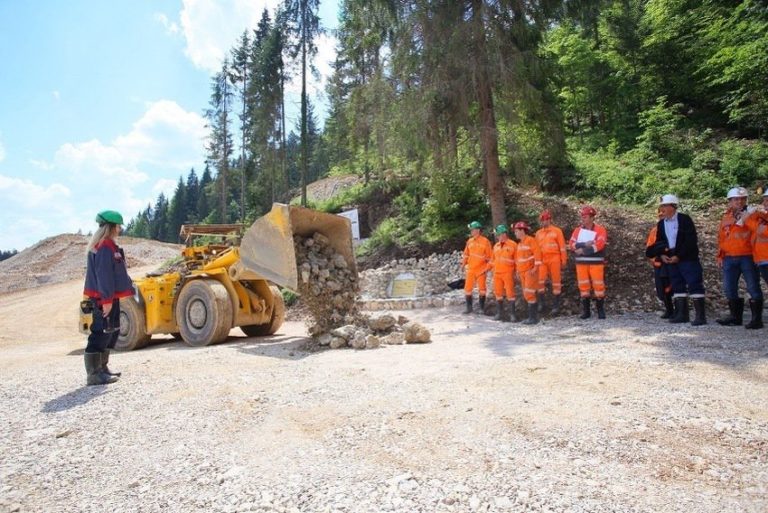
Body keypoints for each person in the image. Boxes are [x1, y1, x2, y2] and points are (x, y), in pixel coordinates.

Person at [82, 210, 135, 385]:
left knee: (110, 332)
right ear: (111, 227)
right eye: (118, 226)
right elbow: (104, 275)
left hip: (109, 297)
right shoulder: (104, 247)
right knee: (100, 333)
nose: (120, 229)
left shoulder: (108, 246)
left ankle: (102, 368)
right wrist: (106, 301)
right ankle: (93, 374)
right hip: (102, 299)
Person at [645, 194, 707, 325]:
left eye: (665, 206)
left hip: (687, 258)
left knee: (694, 283)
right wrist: (662, 254)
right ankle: (682, 314)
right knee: (677, 285)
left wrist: (679, 256)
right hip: (671, 258)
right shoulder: (661, 224)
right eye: (661, 206)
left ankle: (700, 316)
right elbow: (660, 242)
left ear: (673, 206)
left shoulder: (684, 219)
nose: (662, 209)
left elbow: (690, 241)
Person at [716, 187, 763, 329]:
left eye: (742, 199)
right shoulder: (726, 217)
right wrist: (720, 255)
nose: (739, 202)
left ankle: (756, 319)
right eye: (736, 199)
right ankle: (735, 317)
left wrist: (747, 218)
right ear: (729, 201)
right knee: (729, 288)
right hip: (729, 257)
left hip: (748, 256)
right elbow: (722, 238)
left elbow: (759, 231)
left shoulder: (753, 214)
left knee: (753, 286)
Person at [569, 206, 608, 319]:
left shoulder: (600, 229)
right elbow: (571, 244)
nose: (583, 219)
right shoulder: (577, 230)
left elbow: (600, 244)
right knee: (583, 286)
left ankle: (600, 311)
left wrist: (583, 250)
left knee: (598, 286)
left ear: (592, 218)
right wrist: (584, 245)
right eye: (582, 217)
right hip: (581, 263)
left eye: (585, 217)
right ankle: (586, 312)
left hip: (596, 263)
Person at [535, 210, 567, 315]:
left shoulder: (557, 231)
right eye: (543, 220)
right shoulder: (538, 233)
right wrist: (536, 261)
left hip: (554, 258)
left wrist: (564, 260)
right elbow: (536, 249)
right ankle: (541, 304)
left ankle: (556, 306)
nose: (544, 222)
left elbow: (562, 247)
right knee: (540, 280)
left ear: (550, 220)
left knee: (556, 281)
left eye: (546, 219)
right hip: (542, 260)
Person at [744, 189, 768, 327]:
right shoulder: (764, 216)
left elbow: (761, 231)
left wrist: (747, 218)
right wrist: (754, 214)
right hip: (762, 260)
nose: (765, 203)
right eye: (764, 200)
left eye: (767, 200)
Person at [646, 208, 674, 319]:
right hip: (659, 264)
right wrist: (657, 259)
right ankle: (669, 309)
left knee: (673, 286)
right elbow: (650, 248)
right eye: (660, 215)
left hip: (673, 263)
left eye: (663, 214)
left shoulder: (674, 228)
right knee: (662, 289)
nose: (661, 217)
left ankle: (679, 310)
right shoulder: (654, 231)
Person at [513, 221, 542, 325]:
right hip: (522, 272)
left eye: (516, 231)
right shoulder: (520, 244)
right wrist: (517, 271)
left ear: (522, 231)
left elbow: (537, 254)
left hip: (530, 271)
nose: (515, 233)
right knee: (526, 293)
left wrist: (535, 268)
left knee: (529, 293)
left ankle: (533, 318)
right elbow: (518, 259)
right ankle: (532, 317)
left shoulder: (531, 240)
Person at [461, 221, 492, 314]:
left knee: (482, 289)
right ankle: (469, 308)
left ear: (478, 230)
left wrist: (487, 268)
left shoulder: (485, 241)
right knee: (467, 289)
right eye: (471, 230)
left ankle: (481, 309)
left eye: (472, 229)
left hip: (481, 269)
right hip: (471, 269)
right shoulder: (469, 241)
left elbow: (490, 257)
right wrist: (463, 264)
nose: (471, 231)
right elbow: (466, 254)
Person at [489, 224, 518, 322]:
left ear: (504, 234)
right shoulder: (496, 246)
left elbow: (517, 260)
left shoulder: (513, 245)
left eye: (498, 234)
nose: (497, 237)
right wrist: (487, 269)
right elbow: (492, 260)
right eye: (497, 235)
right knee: (498, 293)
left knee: (510, 293)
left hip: (508, 272)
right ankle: (499, 313)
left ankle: (512, 315)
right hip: (497, 273)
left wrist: (517, 272)